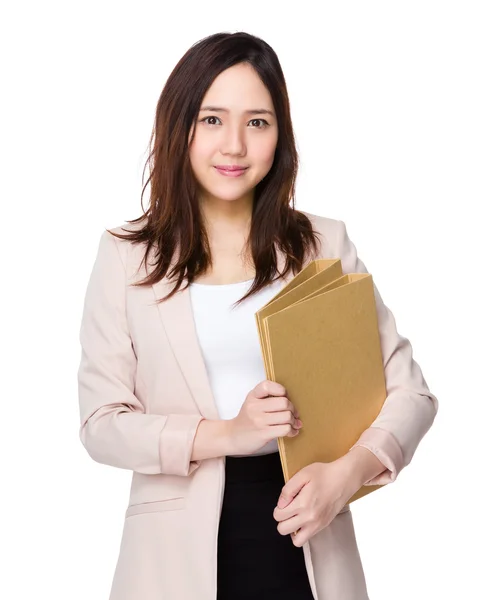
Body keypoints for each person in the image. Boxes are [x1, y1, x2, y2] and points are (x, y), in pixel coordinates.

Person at [77, 31, 438, 600]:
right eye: (212, 119)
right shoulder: (126, 255)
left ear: (280, 135)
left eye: (258, 122)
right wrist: (231, 433)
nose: (235, 146)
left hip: (307, 529)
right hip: (172, 558)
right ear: (180, 128)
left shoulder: (322, 243)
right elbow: (101, 425)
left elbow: (411, 395)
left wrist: (345, 477)